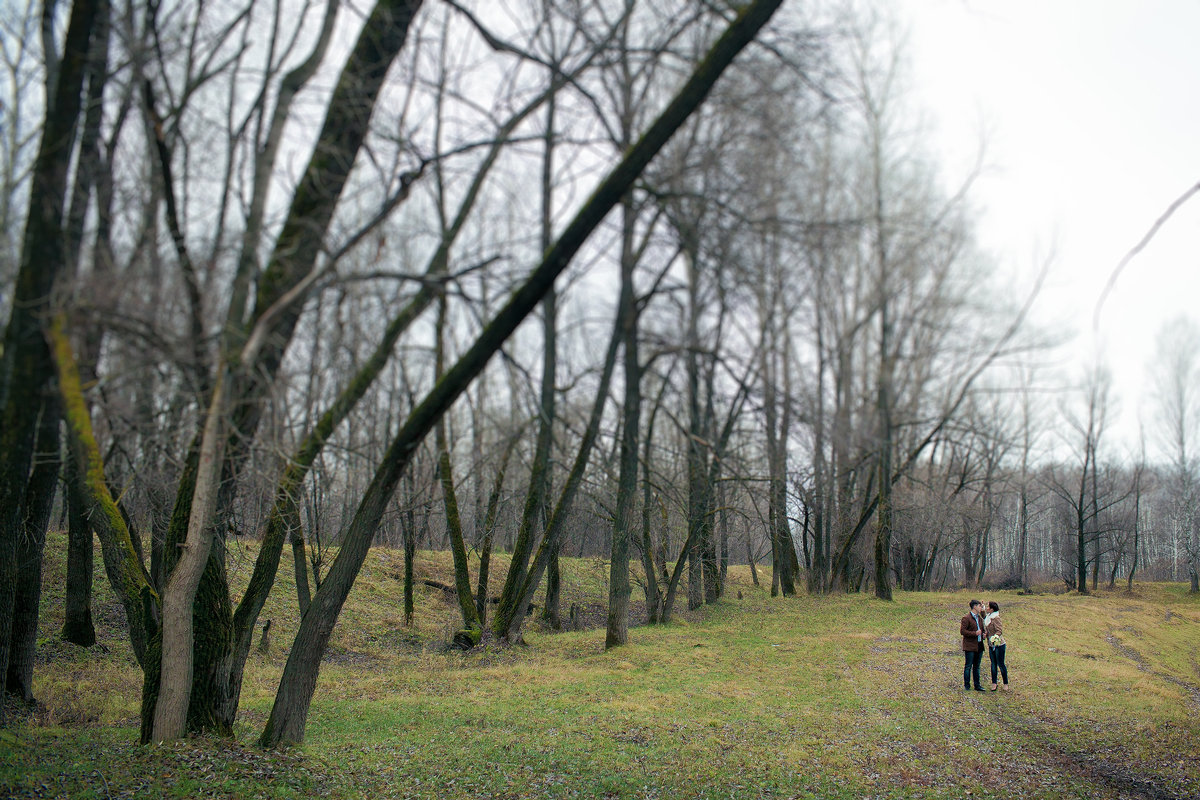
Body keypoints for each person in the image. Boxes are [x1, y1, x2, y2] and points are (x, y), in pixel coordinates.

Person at [960, 599, 986, 691]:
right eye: (979, 606)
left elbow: (984, 621)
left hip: (979, 645)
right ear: (974, 606)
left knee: (977, 666)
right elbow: (962, 631)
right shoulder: (966, 618)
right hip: (970, 646)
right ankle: (967, 685)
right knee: (968, 666)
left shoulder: (979, 618)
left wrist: (983, 634)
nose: (980, 608)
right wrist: (974, 633)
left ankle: (977, 685)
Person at [984, 601, 1009, 691]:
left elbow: (999, 630)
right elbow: (987, 628)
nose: (987, 608)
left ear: (992, 609)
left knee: (1001, 664)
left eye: (988, 607)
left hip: (999, 644)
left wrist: (995, 637)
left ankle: (1005, 683)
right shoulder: (988, 617)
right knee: (993, 664)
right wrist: (986, 634)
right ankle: (994, 683)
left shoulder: (996, 618)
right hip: (991, 645)